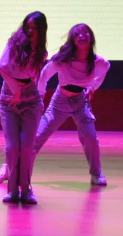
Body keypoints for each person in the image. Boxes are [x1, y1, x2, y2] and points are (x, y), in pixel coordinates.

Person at [35, 23, 110, 186]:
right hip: (60, 102)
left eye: (85, 33)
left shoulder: (97, 62)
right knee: (37, 137)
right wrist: (40, 93)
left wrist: (92, 87)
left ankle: (96, 174)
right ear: (73, 40)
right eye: (77, 34)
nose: (81, 36)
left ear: (91, 37)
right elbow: (44, 74)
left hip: (80, 102)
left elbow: (105, 69)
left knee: (90, 138)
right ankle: (11, 169)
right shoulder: (63, 59)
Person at [0, 12, 48, 204]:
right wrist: (16, 90)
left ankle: (26, 189)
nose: (30, 31)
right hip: (9, 99)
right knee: (12, 147)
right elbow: (2, 66)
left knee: (26, 146)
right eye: (28, 27)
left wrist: (33, 92)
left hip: (31, 100)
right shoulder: (14, 44)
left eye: (35, 28)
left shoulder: (41, 52)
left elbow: (34, 77)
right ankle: (12, 190)